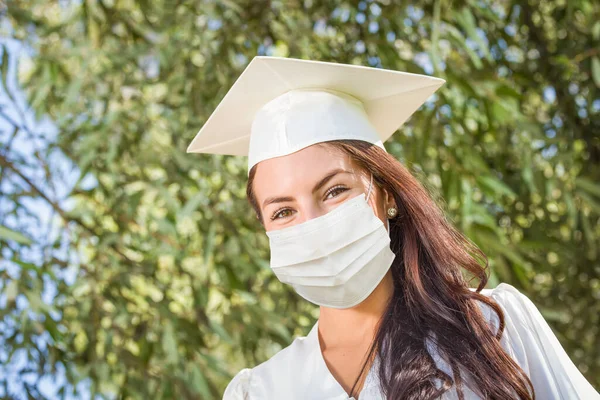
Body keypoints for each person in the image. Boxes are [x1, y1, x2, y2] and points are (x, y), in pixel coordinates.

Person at [187, 56, 600, 400]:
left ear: (386, 195)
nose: (314, 225)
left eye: (334, 191)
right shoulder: (261, 391)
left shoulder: (494, 327)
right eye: (282, 212)